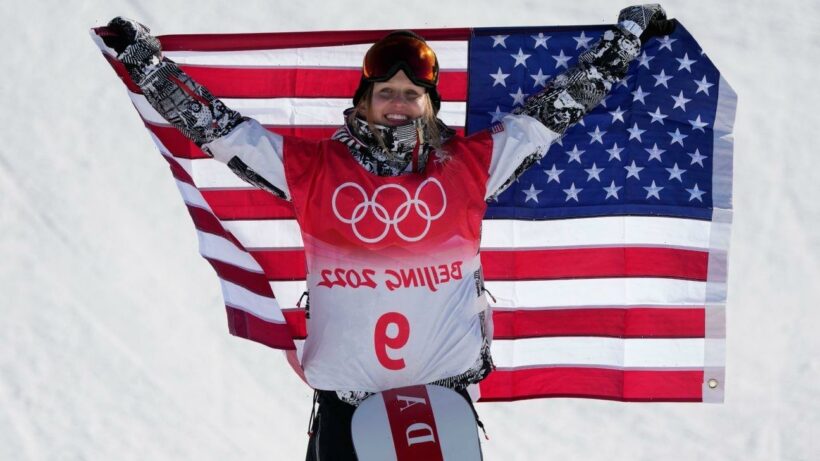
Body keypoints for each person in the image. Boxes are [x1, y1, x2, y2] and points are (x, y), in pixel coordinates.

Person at [103, 6, 673, 460]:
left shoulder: (470, 165)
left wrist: (623, 46)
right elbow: (218, 128)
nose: (398, 104)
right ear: (363, 102)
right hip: (346, 409)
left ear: (430, 106)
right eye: (386, 92)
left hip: (442, 405)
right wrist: (148, 67)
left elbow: (553, 112)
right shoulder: (311, 170)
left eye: (411, 94)